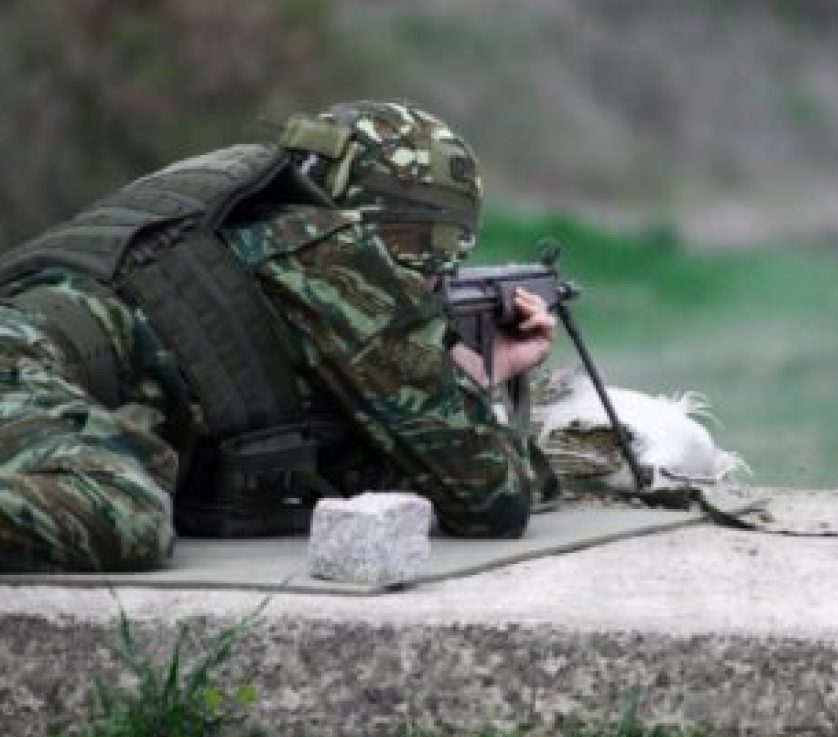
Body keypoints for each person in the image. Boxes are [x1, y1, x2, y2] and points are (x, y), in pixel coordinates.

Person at [0, 100, 557, 572]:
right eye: (434, 276)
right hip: (23, 367)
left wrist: (452, 374)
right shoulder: (328, 253)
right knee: (125, 514)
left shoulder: (236, 222)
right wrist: (473, 382)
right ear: (411, 240)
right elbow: (491, 498)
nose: (430, 291)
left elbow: (377, 466)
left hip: (30, 366)